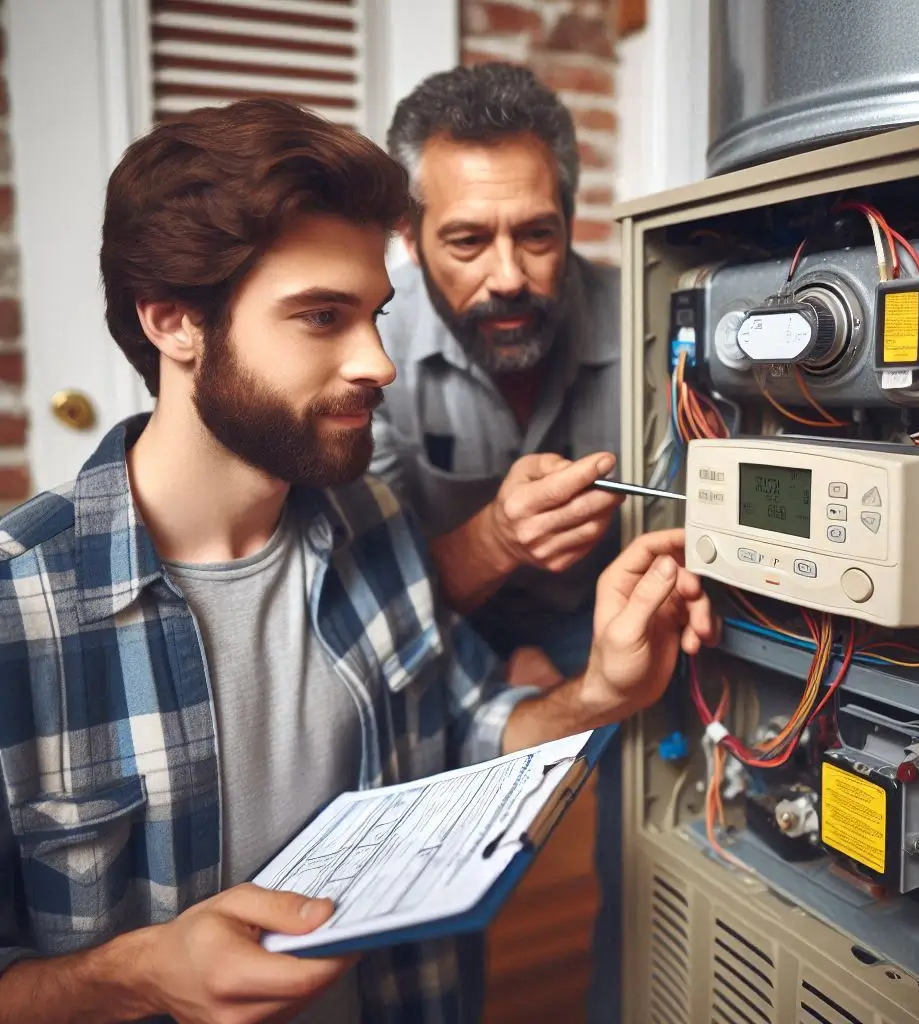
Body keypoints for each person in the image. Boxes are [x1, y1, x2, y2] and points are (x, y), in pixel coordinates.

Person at [0, 98, 717, 1024]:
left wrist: (604, 691)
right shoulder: (19, 606)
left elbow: (474, 734)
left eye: (375, 314)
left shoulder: (371, 519)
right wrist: (135, 973)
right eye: (322, 317)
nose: (378, 360)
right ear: (173, 322)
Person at [373, 63, 627, 1022]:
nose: (509, 275)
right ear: (410, 237)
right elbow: (379, 598)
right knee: (444, 860)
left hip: (602, 617)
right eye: (468, 241)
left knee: (647, 836)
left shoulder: (640, 309)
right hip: (444, 627)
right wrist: (494, 543)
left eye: (537, 234)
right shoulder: (370, 346)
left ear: (569, 220)